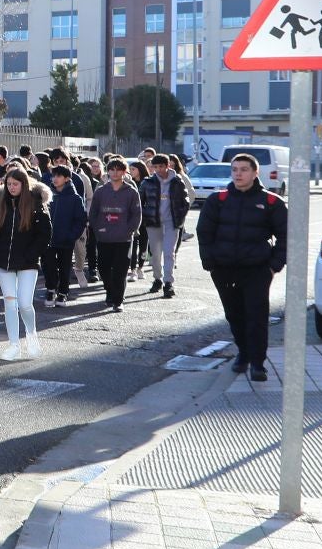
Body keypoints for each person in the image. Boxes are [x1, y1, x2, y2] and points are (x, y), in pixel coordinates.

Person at [197, 154, 289, 381]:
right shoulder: (217, 200)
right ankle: (244, 353)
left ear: (256, 172)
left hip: (257, 270)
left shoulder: (271, 202)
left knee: (256, 316)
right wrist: (210, 261)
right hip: (224, 269)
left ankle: (258, 363)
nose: (238, 174)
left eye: (244, 169)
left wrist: (274, 266)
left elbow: (287, 237)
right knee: (234, 315)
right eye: (235, 169)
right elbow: (204, 232)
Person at [0, 168, 51, 360]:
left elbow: (44, 235)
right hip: (3, 261)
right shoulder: (1, 203)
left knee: (24, 303)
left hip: (27, 263)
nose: (12, 187)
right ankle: (13, 344)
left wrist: (30, 255)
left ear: (24, 184)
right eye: (9, 184)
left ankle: (31, 336)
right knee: (9, 303)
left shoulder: (36, 204)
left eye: (16, 184)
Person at [89, 158, 143, 312]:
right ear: (108, 171)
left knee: (120, 270)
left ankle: (118, 300)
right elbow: (93, 213)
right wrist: (97, 228)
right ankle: (110, 292)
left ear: (124, 172)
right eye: (112, 169)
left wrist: (130, 230)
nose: (115, 172)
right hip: (104, 237)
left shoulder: (131, 192)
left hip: (124, 239)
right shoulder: (101, 191)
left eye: (118, 169)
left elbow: (136, 214)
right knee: (104, 268)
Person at [139, 154, 189, 299]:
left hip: (171, 223)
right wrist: (144, 217)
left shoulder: (177, 181)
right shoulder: (147, 182)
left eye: (161, 166)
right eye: (155, 167)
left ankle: (168, 283)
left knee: (169, 252)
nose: (158, 169)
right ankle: (157, 279)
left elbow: (185, 202)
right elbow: (140, 201)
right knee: (155, 253)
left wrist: (179, 218)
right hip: (153, 223)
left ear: (167, 166)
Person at [44, 165, 90, 308]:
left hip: (66, 240)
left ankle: (63, 293)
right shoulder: (47, 194)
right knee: (48, 266)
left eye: (59, 176)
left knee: (65, 267)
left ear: (67, 178)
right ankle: (51, 290)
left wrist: (71, 236)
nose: (55, 179)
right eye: (54, 176)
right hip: (48, 240)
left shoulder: (75, 198)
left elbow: (80, 220)